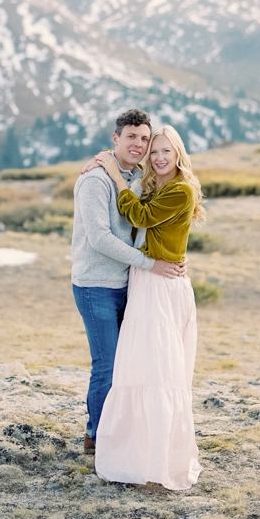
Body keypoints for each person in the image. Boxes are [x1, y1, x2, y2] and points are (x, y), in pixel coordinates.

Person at [90, 124, 203, 491]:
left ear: (178, 155)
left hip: (161, 287)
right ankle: (135, 454)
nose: (157, 157)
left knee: (159, 375)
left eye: (165, 151)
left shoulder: (181, 191)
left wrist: (113, 175)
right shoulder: (156, 184)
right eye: (154, 151)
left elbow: (139, 216)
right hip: (147, 281)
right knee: (138, 369)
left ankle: (159, 463)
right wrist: (107, 163)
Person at [69, 109, 186, 455]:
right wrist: (151, 264)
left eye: (144, 139)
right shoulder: (94, 180)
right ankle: (97, 437)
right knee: (106, 364)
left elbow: (152, 223)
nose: (139, 144)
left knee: (127, 363)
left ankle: (119, 432)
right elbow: (100, 239)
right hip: (96, 285)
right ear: (116, 139)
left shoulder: (138, 178)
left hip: (129, 283)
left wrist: (173, 253)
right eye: (131, 137)